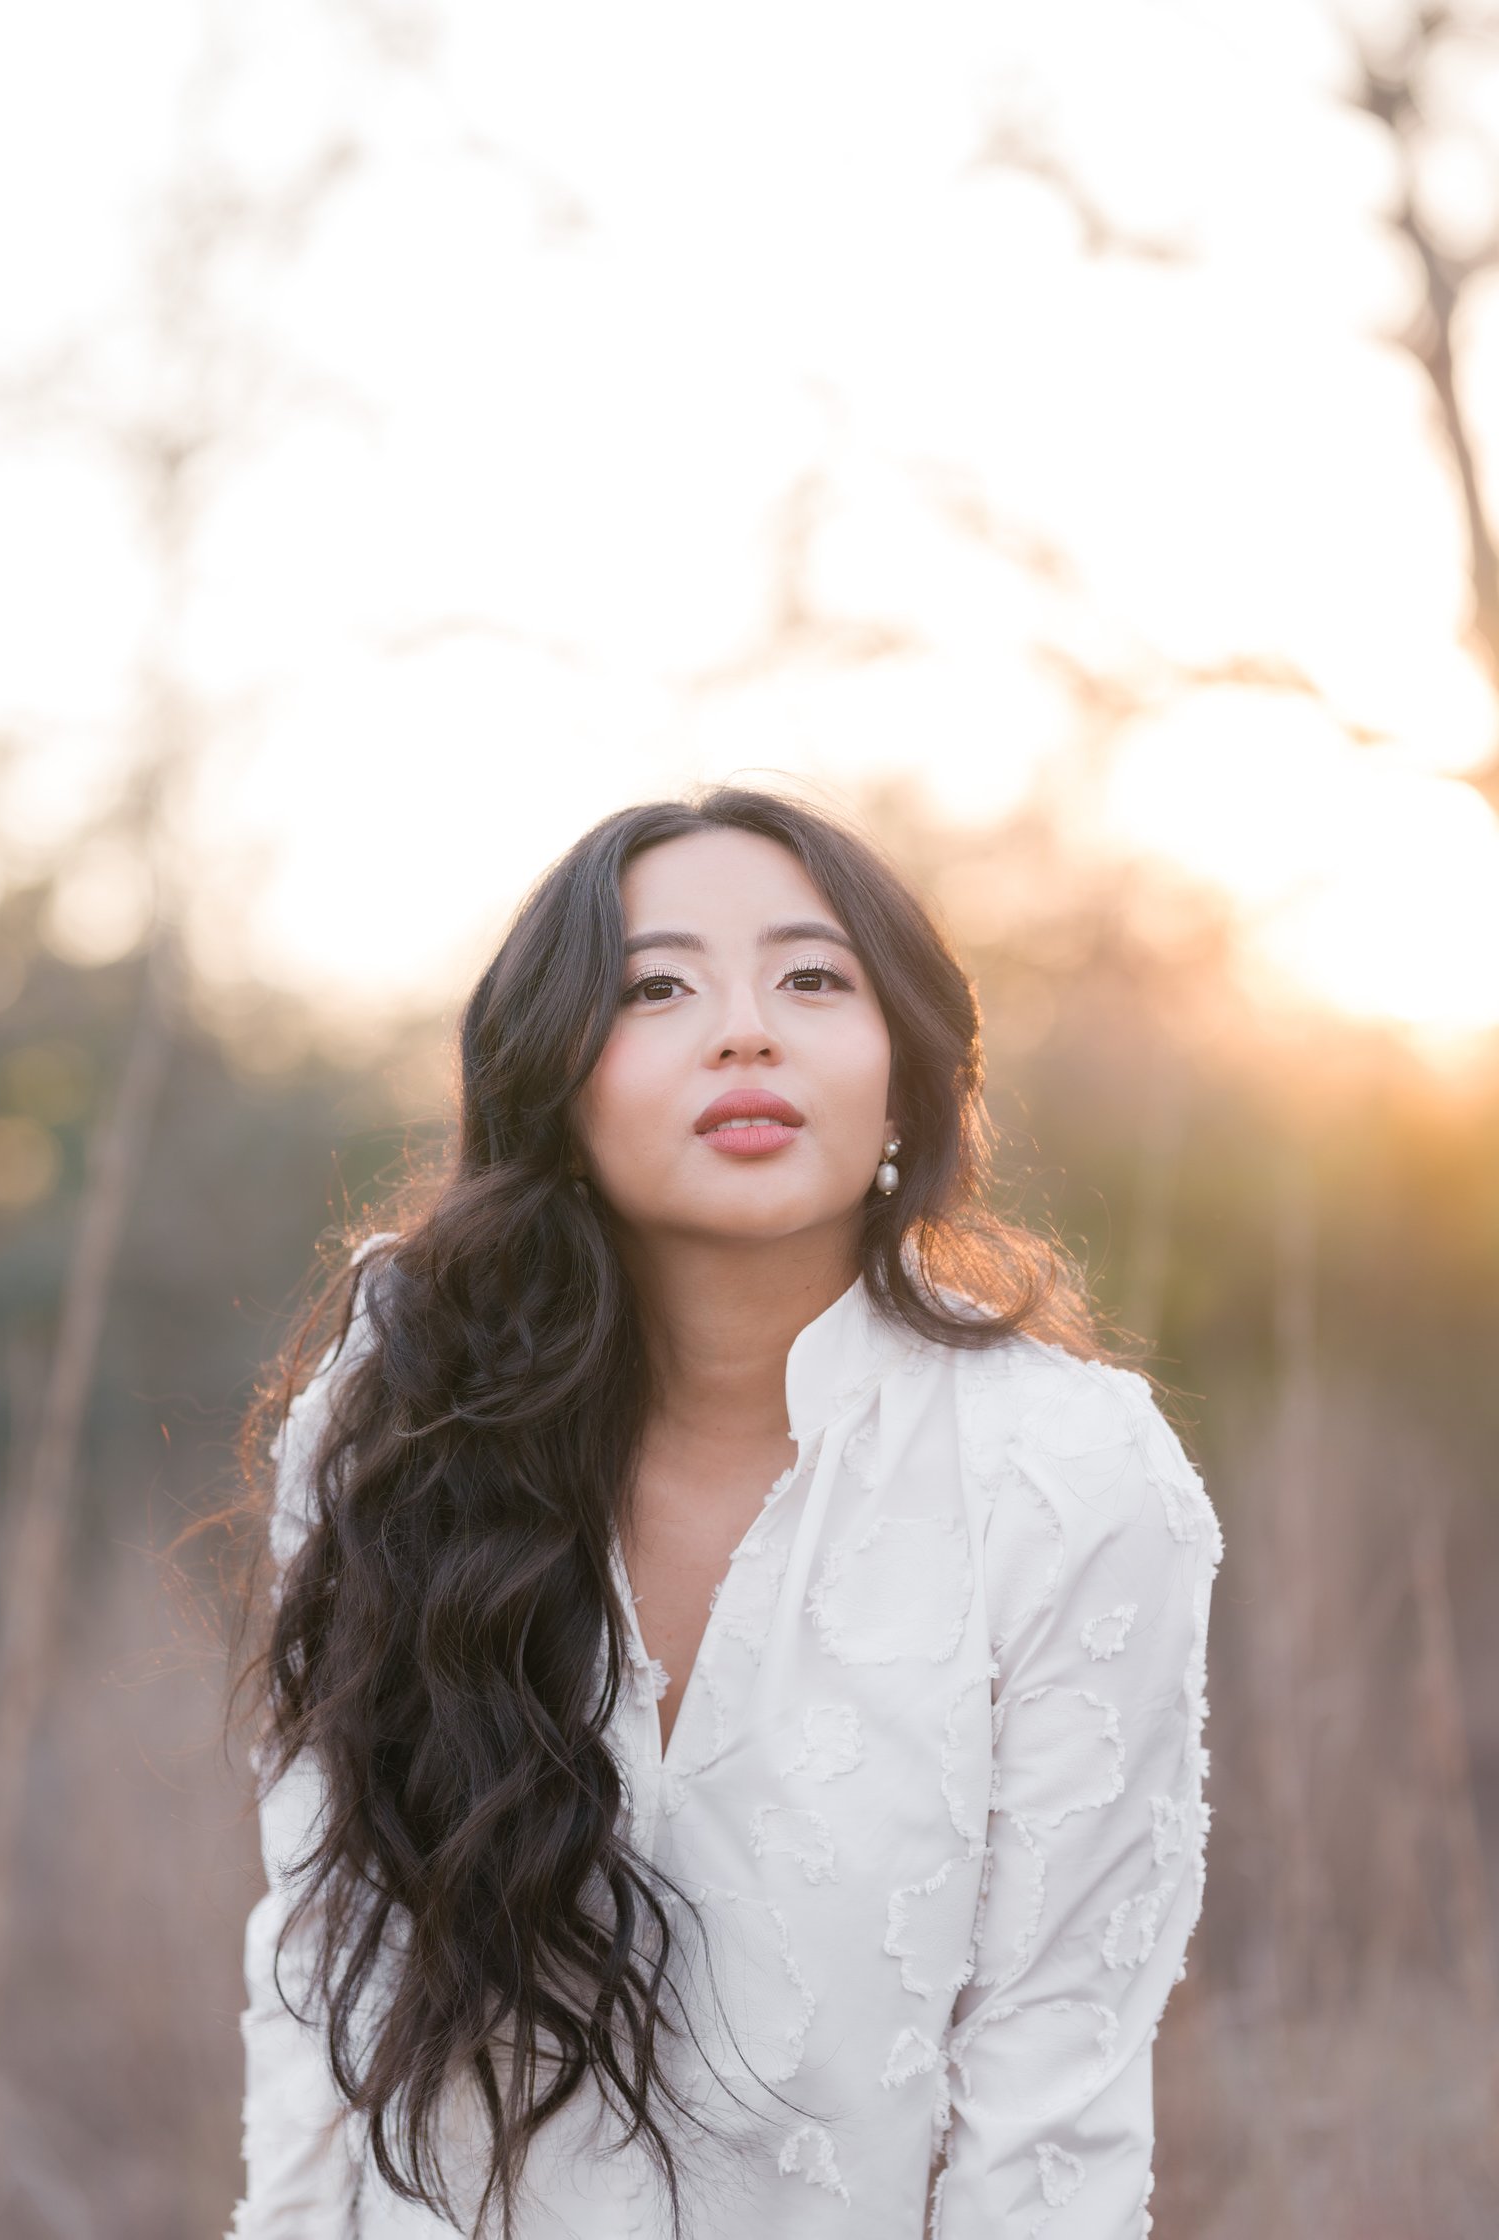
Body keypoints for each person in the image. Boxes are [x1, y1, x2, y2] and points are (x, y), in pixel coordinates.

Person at [223, 785, 1224, 2240]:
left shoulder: (1068, 1473)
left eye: (813, 978)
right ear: (554, 1087)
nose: (745, 1027)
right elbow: (325, 1977)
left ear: (907, 1074)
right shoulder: (397, 1423)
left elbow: (1053, 2103)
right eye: (657, 987)